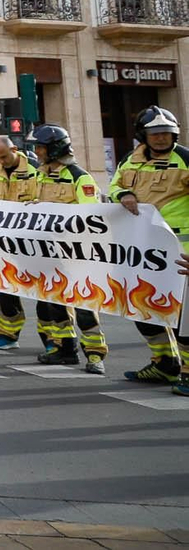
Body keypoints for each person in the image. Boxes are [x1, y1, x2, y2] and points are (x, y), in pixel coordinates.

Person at [109, 107, 189, 391]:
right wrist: (124, 194)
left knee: (184, 315)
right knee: (141, 306)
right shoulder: (130, 160)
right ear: (143, 135)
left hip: (181, 251)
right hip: (142, 249)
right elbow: (113, 187)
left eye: (166, 133)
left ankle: (188, 371)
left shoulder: (185, 158)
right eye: (155, 134)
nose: (160, 138)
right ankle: (164, 363)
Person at [18, 125, 106, 373]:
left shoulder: (80, 177)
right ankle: (65, 349)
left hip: (76, 253)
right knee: (53, 304)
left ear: (54, 149)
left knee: (83, 305)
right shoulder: (40, 175)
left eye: (41, 147)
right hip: (47, 252)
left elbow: (92, 216)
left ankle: (95, 355)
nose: (37, 152)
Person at [0, 135, 42, 351]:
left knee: (45, 292)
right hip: (5, 243)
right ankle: (8, 334)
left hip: (35, 242)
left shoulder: (37, 169)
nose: (0, 161)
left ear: (14, 149)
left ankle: (55, 341)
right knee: (7, 289)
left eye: (4, 156)